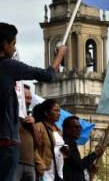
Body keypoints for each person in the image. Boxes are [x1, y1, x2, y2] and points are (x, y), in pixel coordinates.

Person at [0, 22, 67, 181]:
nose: (14, 49)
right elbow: (47, 75)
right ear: (4, 44)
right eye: (13, 44)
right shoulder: (7, 66)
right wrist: (59, 56)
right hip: (6, 142)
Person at [34, 99, 68, 181]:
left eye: (59, 111)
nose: (59, 113)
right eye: (55, 110)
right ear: (46, 113)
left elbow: (59, 150)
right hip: (45, 171)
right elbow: (33, 148)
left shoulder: (59, 130)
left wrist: (65, 151)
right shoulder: (39, 126)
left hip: (58, 171)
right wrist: (40, 165)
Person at [62, 116, 105, 181]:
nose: (79, 129)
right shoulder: (66, 143)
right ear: (67, 129)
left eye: (80, 127)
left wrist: (89, 166)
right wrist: (95, 154)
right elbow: (80, 165)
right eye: (76, 127)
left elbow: (75, 164)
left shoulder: (71, 143)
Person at [16, 84, 39, 181]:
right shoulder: (10, 114)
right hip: (15, 163)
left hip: (30, 165)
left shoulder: (30, 118)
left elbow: (38, 144)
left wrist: (33, 126)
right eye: (26, 98)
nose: (29, 101)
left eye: (30, 98)